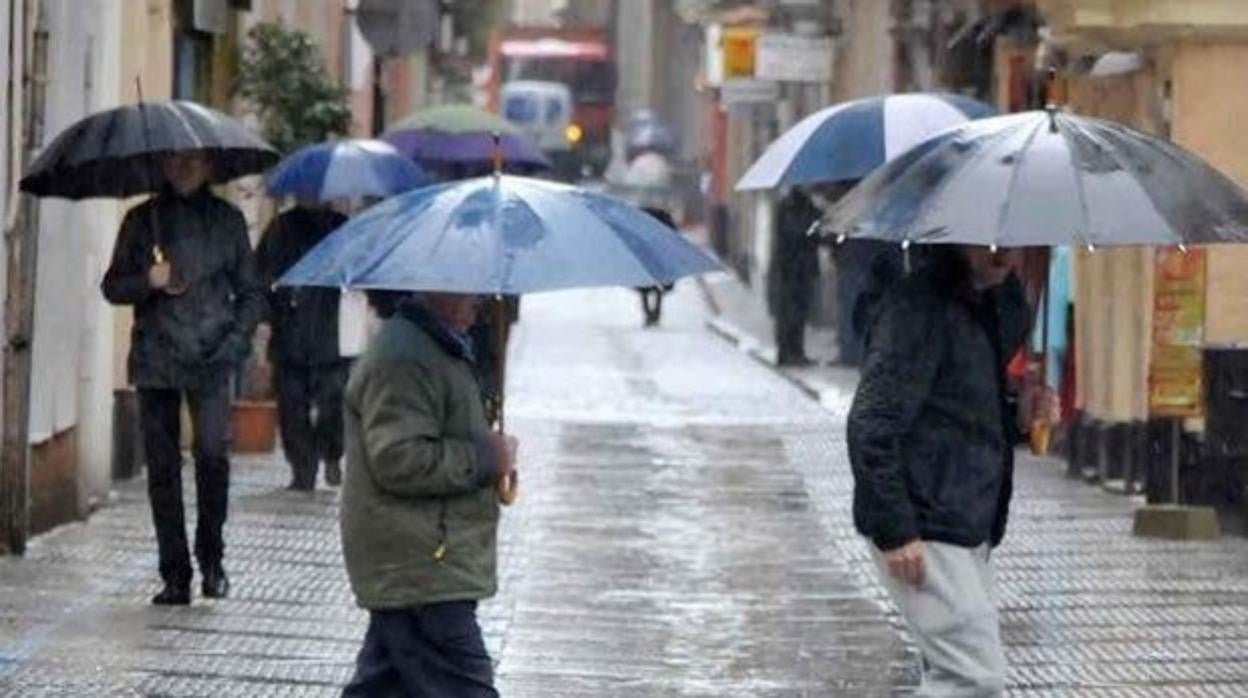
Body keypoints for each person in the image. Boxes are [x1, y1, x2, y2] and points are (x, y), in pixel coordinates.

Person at [847, 245, 1028, 696]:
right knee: (973, 676)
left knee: (957, 673)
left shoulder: (985, 304)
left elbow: (961, 414)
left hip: (967, 520)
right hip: (926, 520)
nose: (1004, 252)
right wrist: (896, 530)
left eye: (1011, 239)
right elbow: (871, 423)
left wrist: (1019, 412)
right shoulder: (920, 307)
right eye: (988, 239)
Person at [102, 151, 264, 605]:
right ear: (164, 165)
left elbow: (252, 293)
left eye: (193, 159)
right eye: (176, 159)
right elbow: (112, 285)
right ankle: (175, 574)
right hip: (157, 359)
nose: (184, 167)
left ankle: (212, 558)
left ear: (209, 166)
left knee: (213, 456)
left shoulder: (228, 221)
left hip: (212, 359)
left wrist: (234, 343)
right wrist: (147, 281)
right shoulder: (142, 220)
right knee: (164, 470)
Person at [341, 292, 518, 697]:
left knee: (386, 685)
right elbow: (399, 459)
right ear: (440, 284)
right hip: (422, 567)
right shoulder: (404, 358)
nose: (481, 299)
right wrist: (484, 457)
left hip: (420, 564)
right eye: (470, 285)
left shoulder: (437, 348)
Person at [256, 201, 350, 491]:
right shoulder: (281, 228)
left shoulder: (341, 226)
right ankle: (302, 467)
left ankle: (332, 452)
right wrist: (265, 313)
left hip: (329, 331)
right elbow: (259, 274)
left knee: (333, 402)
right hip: (289, 328)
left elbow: (357, 267)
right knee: (291, 406)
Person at [767, 187, 821, 365]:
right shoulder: (788, 207)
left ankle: (796, 351)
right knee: (789, 312)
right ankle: (786, 352)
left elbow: (818, 232)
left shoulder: (808, 206)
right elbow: (797, 233)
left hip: (802, 268)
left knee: (800, 311)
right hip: (790, 268)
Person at [636, 207, 677, 327]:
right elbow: (673, 235)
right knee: (656, 288)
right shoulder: (664, 219)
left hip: (648, 258)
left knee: (646, 288)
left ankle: (650, 314)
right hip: (657, 258)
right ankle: (654, 313)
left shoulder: (641, 218)